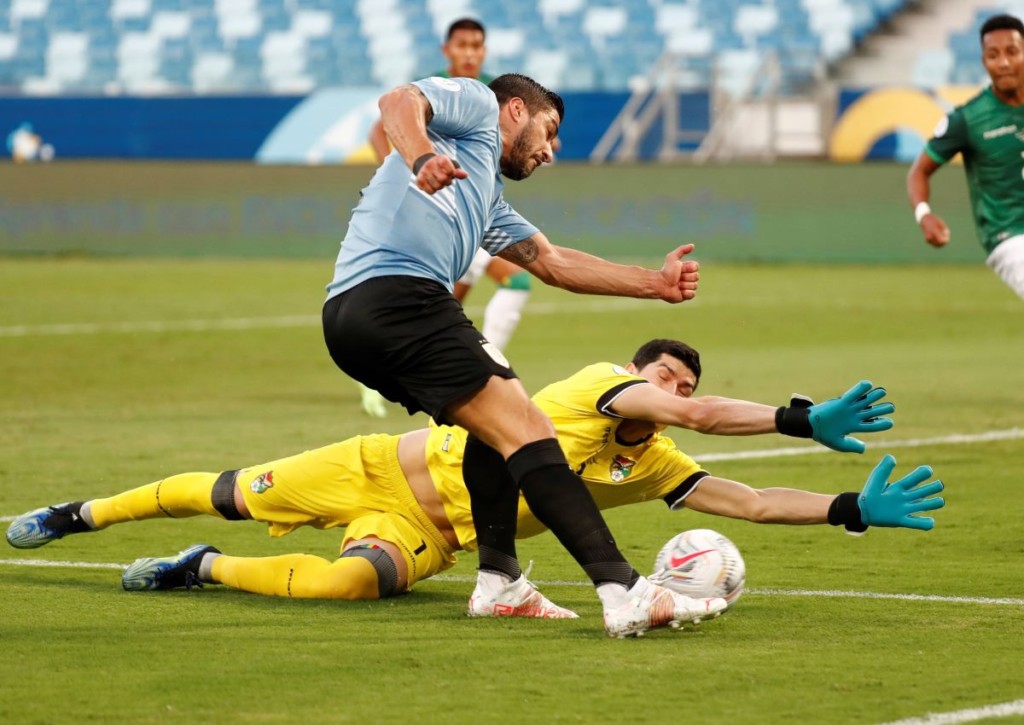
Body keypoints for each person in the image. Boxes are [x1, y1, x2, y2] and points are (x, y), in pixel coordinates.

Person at [7, 340, 942, 632]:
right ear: (639, 375)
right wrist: (790, 415)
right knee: (222, 489)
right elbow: (702, 419)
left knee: (352, 585)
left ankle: (200, 571)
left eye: (684, 387)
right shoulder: (590, 388)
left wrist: (849, 506)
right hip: (374, 468)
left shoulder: (647, 458)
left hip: (438, 536)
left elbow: (745, 500)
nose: (671, 395)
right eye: (663, 379)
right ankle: (75, 513)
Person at [359, 18, 528, 419]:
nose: (470, 53)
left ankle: (468, 373)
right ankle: (466, 376)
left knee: (456, 299)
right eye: (462, 45)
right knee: (449, 299)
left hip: (472, 212)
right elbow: (380, 129)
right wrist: (406, 172)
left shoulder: (495, 90)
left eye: (477, 46)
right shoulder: (432, 86)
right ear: (446, 51)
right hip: (435, 216)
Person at [907, 13, 1024, 299]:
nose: (1004, 63)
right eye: (993, 55)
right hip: (1010, 238)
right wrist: (924, 215)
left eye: (1012, 52)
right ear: (984, 62)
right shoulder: (968, 119)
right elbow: (919, 171)